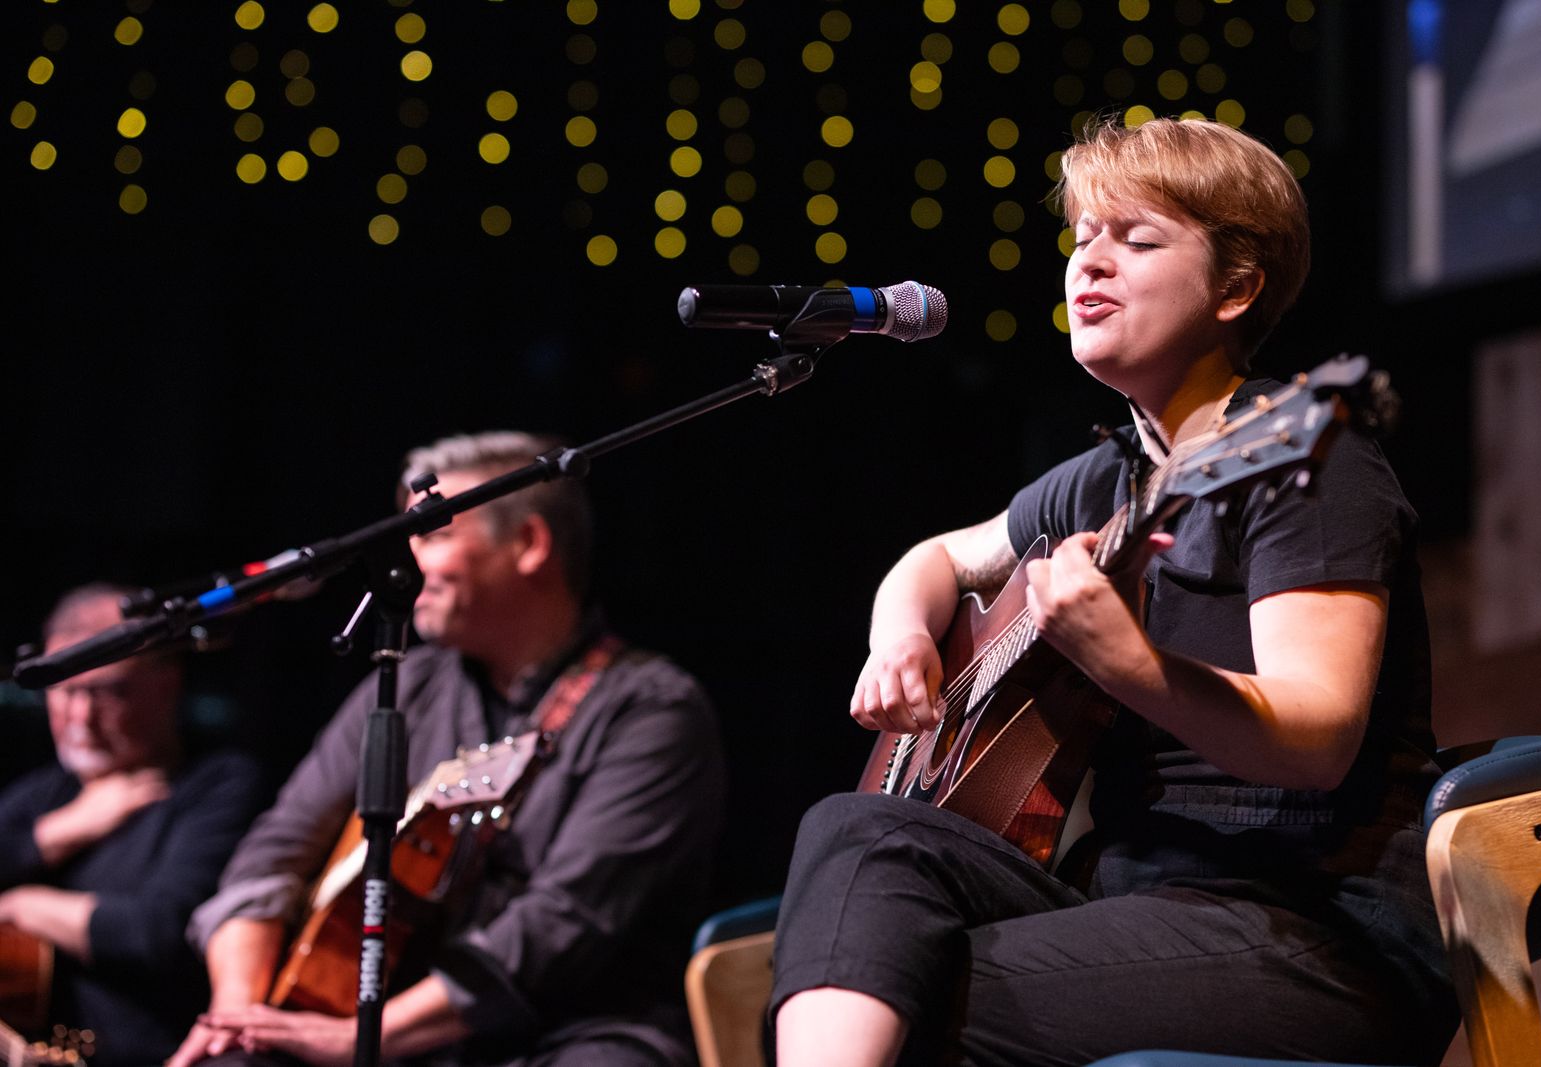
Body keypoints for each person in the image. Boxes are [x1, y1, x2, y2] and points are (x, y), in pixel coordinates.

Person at [769, 116, 1458, 1065]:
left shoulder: (1305, 460)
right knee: (855, 830)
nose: (1089, 263)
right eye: (1084, 236)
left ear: (1237, 288)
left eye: (1136, 240)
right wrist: (902, 640)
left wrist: (1126, 663)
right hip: (1131, 901)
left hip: (1316, 929)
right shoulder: (1102, 480)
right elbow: (934, 561)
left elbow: (1316, 741)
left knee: (888, 990)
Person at [177, 431, 726, 1067]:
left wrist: (366, 1040)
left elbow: (564, 922)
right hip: (390, 1031)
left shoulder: (651, 710)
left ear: (529, 544)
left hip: (573, 1033)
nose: (407, 560)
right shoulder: (405, 684)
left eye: (433, 534)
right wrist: (239, 1017)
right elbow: (270, 857)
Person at [0, 585, 265, 1067]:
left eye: (109, 691)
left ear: (166, 685)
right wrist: (60, 832)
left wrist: (20, 904)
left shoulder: (218, 784)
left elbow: (162, 932)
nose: (81, 716)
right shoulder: (40, 797)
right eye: (65, 689)